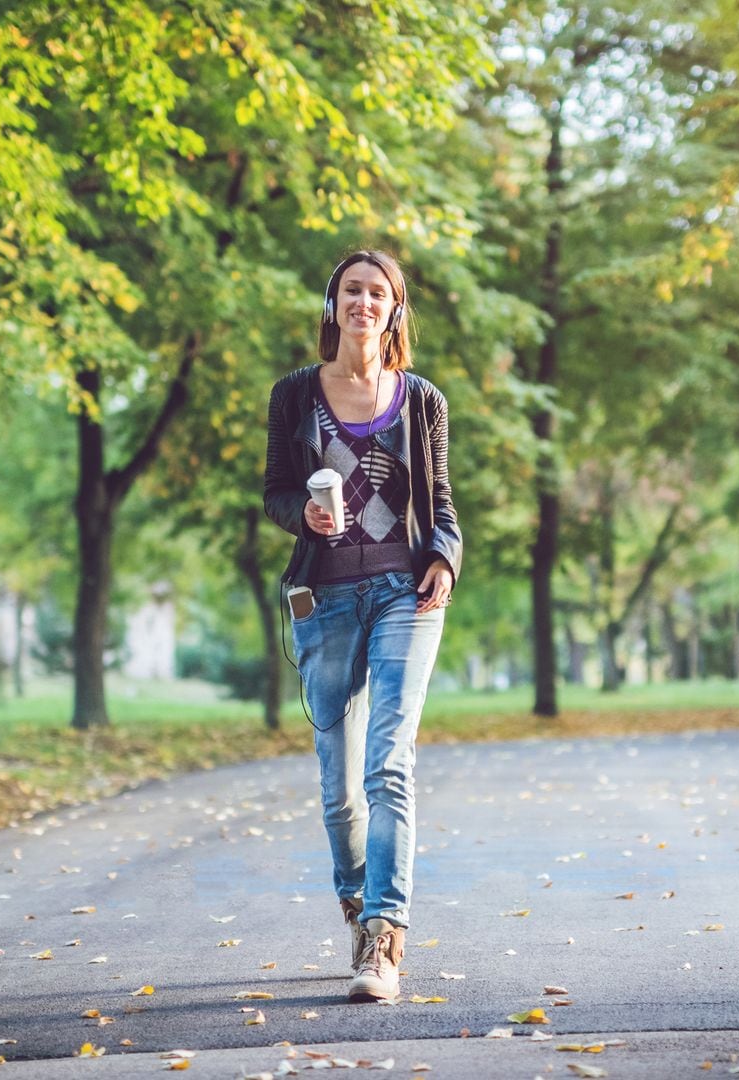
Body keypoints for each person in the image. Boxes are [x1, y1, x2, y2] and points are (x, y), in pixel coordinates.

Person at [263, 250, 462, 1002]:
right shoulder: (294, 396)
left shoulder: (422, 400)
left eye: (379, 293)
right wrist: (305, 514)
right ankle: (356, 899)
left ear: (395, 310)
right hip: (327, 597)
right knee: (340, 789)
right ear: (333, 302)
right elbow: (275, 493)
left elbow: (441, 502)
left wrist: (444, 557)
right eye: (353, 289)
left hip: (405, 596)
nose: (365, 302)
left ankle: (384, 935)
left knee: (390, 764)